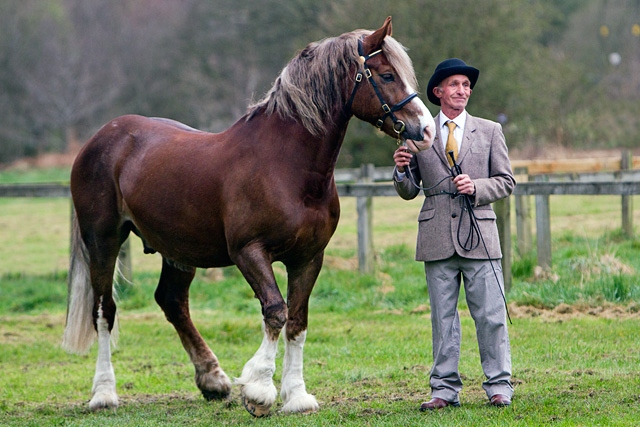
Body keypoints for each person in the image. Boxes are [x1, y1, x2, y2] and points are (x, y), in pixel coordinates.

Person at [392, 58, 516, 410]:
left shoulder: (490, 131)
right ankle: (444, 390)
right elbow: (407, 190)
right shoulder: (418, 132)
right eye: (455, 84)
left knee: (491, 316)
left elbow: (506, 181)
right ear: (438, 92)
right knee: (442, 319)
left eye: (466, 85)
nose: (462, 90)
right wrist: (401, 171)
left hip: (481, 236)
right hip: (436, 237)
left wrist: (475, 186)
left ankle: (499, 386)